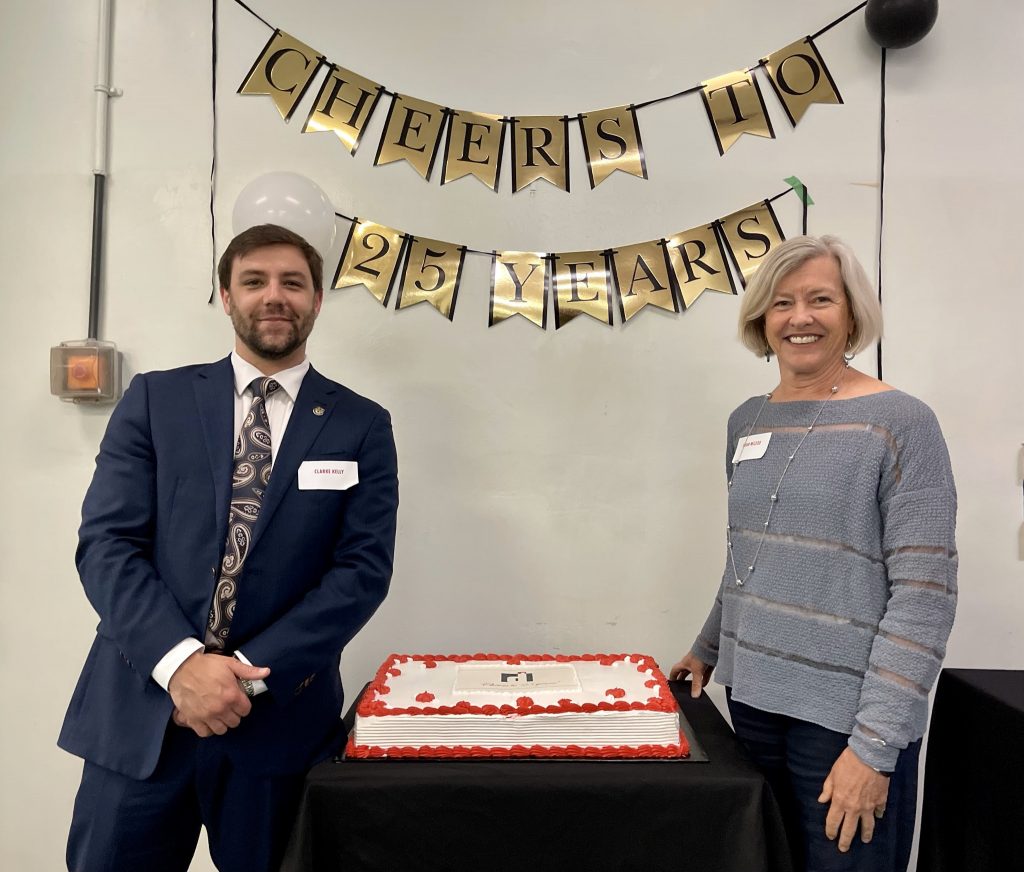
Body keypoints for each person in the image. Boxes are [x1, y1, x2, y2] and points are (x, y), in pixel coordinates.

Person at [59, 224, 399, 872]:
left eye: (292, 283)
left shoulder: (360, 425)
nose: (274, 296)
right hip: (142, 714)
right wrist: (182, 665)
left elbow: (360, 572)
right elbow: (107, 544)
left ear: (318, 299)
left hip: (278, 724)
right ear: (225, 295)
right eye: (255, 281)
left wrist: (243, 673)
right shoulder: (156, 401)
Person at [671, 235, 957, 872]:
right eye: (781, 303)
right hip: (753, 703)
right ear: (761, 320)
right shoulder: (747, 421)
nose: (799, 318)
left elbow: (924, 596)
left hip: (844, 720)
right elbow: (750, 555)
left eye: (820, 300)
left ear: (852, 314)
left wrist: (875, 747)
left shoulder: (901, 422)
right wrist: (709, 646)